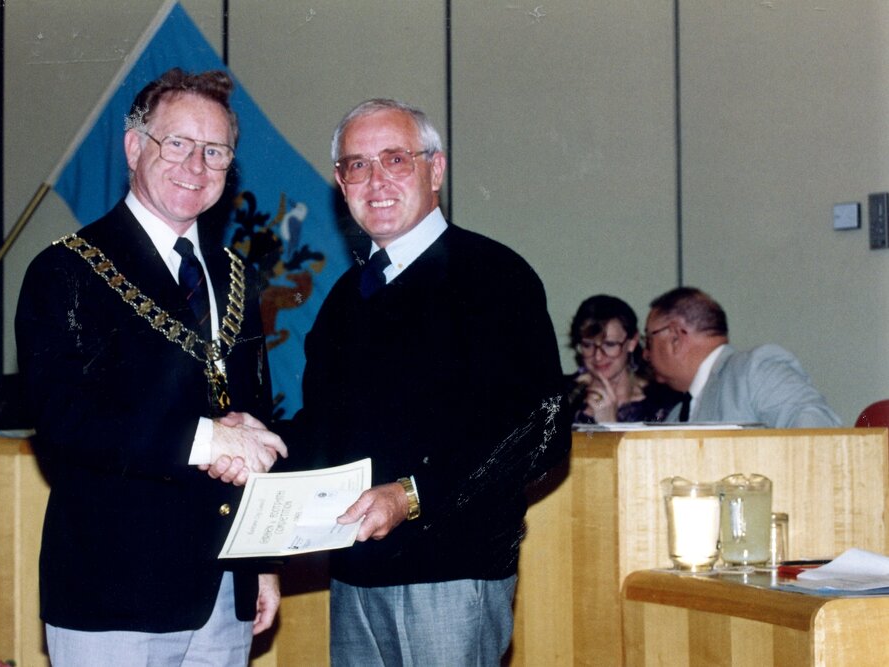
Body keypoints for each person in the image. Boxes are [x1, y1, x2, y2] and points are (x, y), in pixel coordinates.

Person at [276, 98, 572, 666]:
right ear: (340, 183)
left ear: (435, 170)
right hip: (355, 576)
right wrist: (262, 443)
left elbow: (539, 433)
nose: (375, 180)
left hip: (452, 576)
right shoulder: (344, 299)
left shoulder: (494, 277)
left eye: (395, 159)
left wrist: (410, 495)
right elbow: (323, 432)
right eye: (356, 165)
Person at [15, 68, 288, 666]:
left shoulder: (237, 276)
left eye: (214, 151)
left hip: (224, 593)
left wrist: (260, 562)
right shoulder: (65, 271)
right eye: (178, 144)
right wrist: (205, 438)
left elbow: (254, 421)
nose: (196, 166)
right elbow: (65, 422)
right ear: (135, 147)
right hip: (115, 592)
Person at [643, 286, 842, 427]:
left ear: (675, 337)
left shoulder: (754, 371)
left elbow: (817, 430)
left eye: (649, 341)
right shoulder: (677, 415)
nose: (645, 354)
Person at [567, 294, 681, 423]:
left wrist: (608, 424)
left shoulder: (662, 402)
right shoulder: (562, 394)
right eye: (587, 345)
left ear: (632, 342)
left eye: (610, 344)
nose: (598, 356)